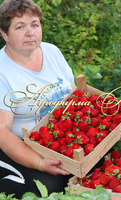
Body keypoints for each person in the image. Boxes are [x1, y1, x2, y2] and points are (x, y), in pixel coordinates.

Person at [0, 0, 76, 198]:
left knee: (97, 164)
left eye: (34, 24)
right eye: (20, 27)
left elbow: (74, 95)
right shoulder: (2, 72)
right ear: (4, 34)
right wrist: (39, 162)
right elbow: (2, 132)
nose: (30, 32)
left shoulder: (52, 52)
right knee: (49, 185)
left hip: (57, 140)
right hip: (17, 145)